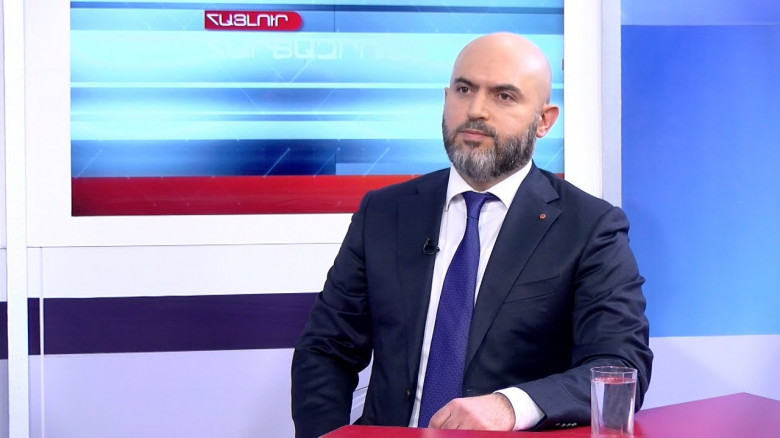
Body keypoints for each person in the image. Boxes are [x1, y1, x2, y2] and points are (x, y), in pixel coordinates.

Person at [291, 32, 652, 438]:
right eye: (464, 90)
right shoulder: (385, 212)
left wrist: (511, 407)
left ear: (544, 121)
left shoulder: (589, 227)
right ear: (446, 98)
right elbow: (326, 349)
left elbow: (620, 366)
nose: (476, 110)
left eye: (504, 96)